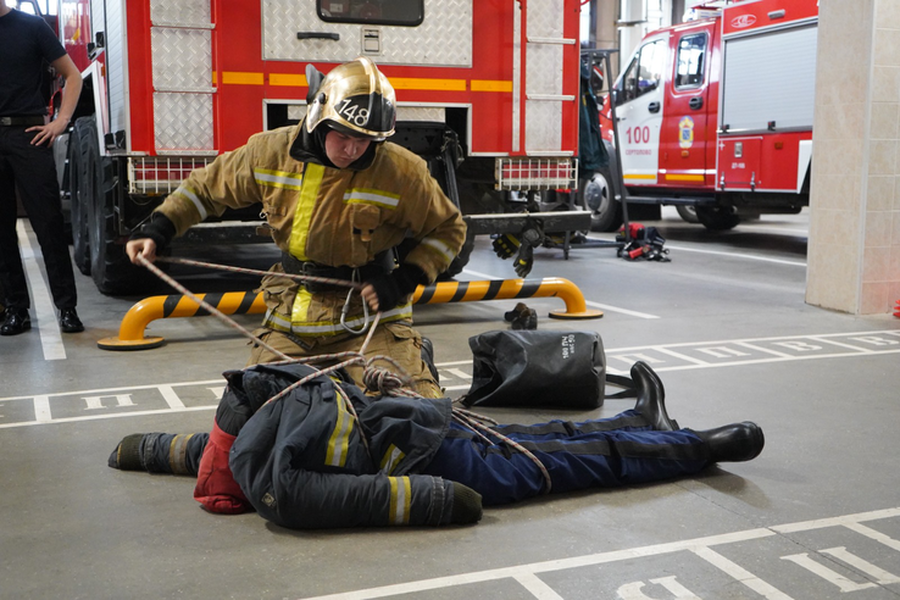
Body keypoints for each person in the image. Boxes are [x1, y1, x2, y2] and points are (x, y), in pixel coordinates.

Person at [126, 57, 466, 398]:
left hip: (372, 322)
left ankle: (413, 360)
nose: (352, 150)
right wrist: (159, 228)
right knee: (252, 408)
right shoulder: (269, 152)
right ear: (319, 116)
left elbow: (448, 229)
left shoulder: (401, 171)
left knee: (411, 415)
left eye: (365, 141)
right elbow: (206, 189)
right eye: (344, 136)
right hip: (290, 318)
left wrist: (404, 279)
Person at [108, 361, 765, 529]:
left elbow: (181, 450)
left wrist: (443, 503)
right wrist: (451, 502)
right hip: (430, 440)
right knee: (556, 452)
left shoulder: (256, 460)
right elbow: (183, 446)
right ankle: (677, 440)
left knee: (559, 451)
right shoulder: (272, 454)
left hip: (427, 435)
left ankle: (664, 432)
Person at [0, 1, 84, 335]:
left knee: (48, 223)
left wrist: (61, 121)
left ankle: (67, 308)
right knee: (1, 230)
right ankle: (16, 310)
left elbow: (73, 75)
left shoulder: (32, 27)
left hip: (29, 135)